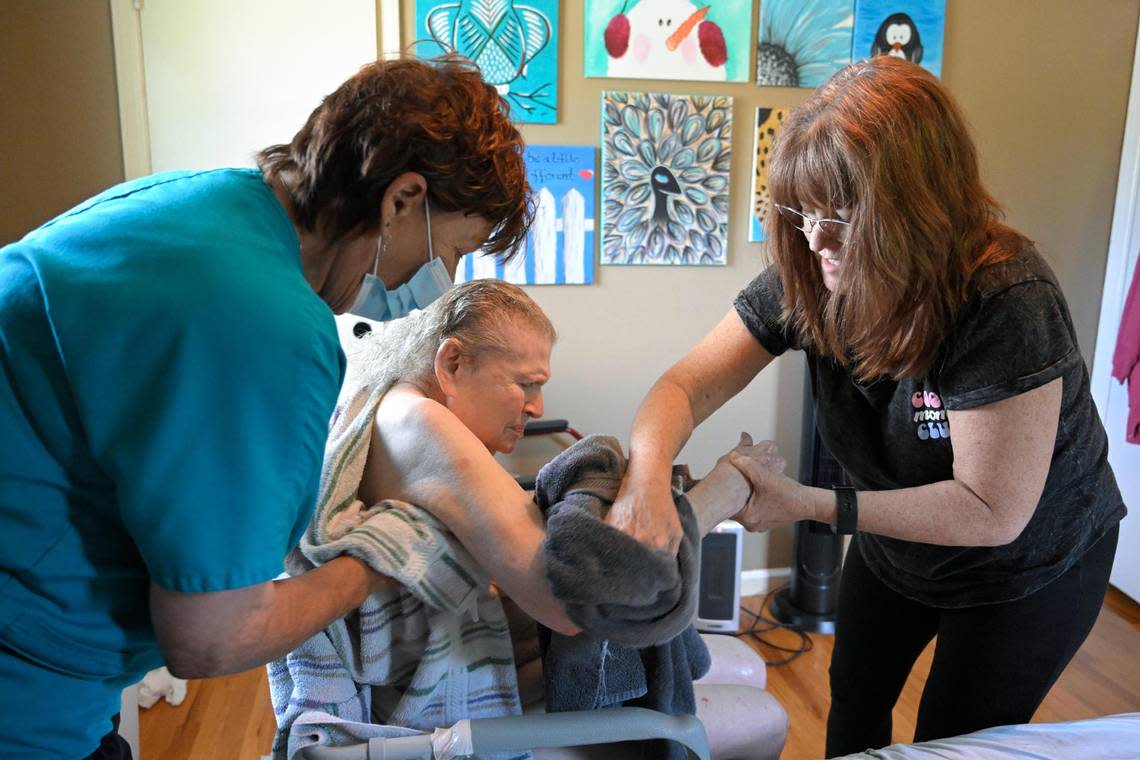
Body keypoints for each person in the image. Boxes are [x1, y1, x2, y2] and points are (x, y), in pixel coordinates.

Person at [0, 55, 530, 760]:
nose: (441, 286)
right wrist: (377, 560)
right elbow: (212, 638)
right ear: (402, 200)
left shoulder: (204, 204)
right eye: (455, 250)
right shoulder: (263, 322)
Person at [610, 55, 1126, 756]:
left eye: (844, 217)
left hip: (1026, 566)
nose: (816, 240)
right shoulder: (811, 273)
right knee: (854, 699)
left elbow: (991, 510)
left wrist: (808, 502)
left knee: (952, 738)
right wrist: (646, 479)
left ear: (919, 209)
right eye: (804, 212)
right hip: (899, 545)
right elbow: (684, 387)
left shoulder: (1006, 302)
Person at [271, 278, 786, 760]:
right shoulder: (418, 421)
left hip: (452, 646)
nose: (538, 406)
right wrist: (727, 491)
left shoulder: (380, 395)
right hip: (432, 712)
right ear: (451, 363)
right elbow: (576, 603)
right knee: (767, 715)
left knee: (750, 665)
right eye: (525, 384)